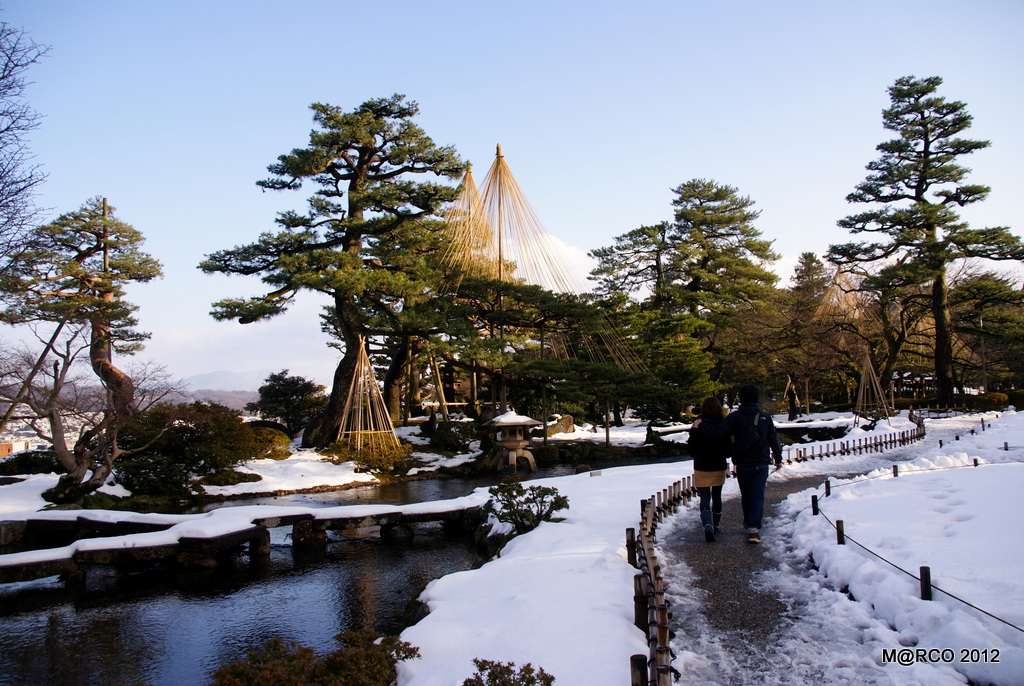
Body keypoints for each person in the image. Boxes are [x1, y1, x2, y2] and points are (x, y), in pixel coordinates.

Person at [693, 384, 783, 544]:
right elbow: (774, 439)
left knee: (747, 494)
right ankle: (753, 528)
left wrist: (701, 425)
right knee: (757, 495)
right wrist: (778, 458)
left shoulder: (735, 417)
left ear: (740, 398)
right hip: (761, 461)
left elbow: (718, 433)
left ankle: (749, 523)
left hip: (743, 462)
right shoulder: (765, 417)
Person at [688, 397, 732, 542]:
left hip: (701, 465)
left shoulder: (697, 425)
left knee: (705, 497)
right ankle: (716, 525)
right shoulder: (723, 425)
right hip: (718, 464)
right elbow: (728, 450)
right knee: (717, 496)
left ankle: (707, 525)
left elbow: (691, 450)